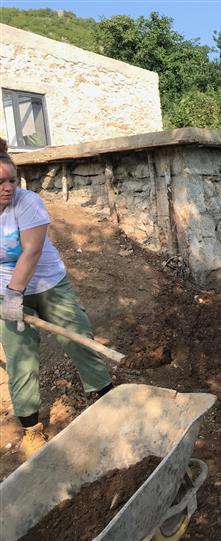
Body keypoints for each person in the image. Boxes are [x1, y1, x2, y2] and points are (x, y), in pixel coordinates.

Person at [0, 138, 113, 459]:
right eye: (0, 182)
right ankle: (32, 429)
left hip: (48, 284)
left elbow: (31, 251)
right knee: (20, 357)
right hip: (6, 292)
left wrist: (14, 295)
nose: (8, 188)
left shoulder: (28, 202)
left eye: (12, 180)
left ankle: (104, 399)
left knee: (79, 339)